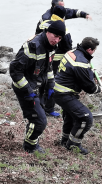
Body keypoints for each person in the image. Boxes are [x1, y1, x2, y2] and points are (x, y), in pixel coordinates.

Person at [10, 21, 66, 154]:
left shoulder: (50, 46)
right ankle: (30, 146)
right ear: (48, 31)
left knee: (35, 117)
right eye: (55, 36)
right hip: (25, 87)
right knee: (40, 120)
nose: (56, 40)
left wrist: (51, 85)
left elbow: (48, 67)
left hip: (38, 86)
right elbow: (15, 71)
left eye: (60, 38)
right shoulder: (33, 46)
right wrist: (28, 92)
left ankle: (31, 140)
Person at [53, 37, 102, 155]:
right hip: (64, 93)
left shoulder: (72, 52)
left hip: (59, 90)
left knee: (71, 115)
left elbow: (79, 72)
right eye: (94, 50)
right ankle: (73, 144)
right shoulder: (80, 63)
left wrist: (90, 73)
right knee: (85, 117)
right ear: (90, 50)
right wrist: (99, 89)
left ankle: (65, 140)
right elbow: (89, 88)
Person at [36, 6, 73, 117]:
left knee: (41, 81)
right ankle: (49, 108)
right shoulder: (63, 29)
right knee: (52, 84)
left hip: (42, 57)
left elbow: (37, 34)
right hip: (56, 60)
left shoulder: (45, 23)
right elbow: (68, 46)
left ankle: (40, 104)